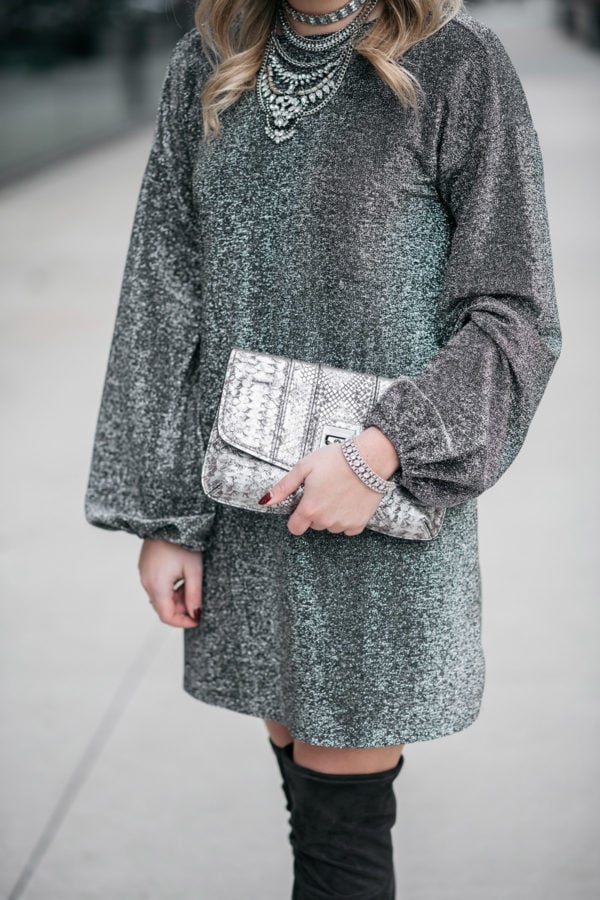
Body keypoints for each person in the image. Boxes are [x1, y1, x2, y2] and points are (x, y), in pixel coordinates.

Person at [84, 0, 562, 895]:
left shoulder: (457, 66)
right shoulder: (209, 60)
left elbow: (515, 314)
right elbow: (163, 295)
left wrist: (382, 453)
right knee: (312, 816)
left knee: (344, 842)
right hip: (247, 511)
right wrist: (164, 517)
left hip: (373, 517)